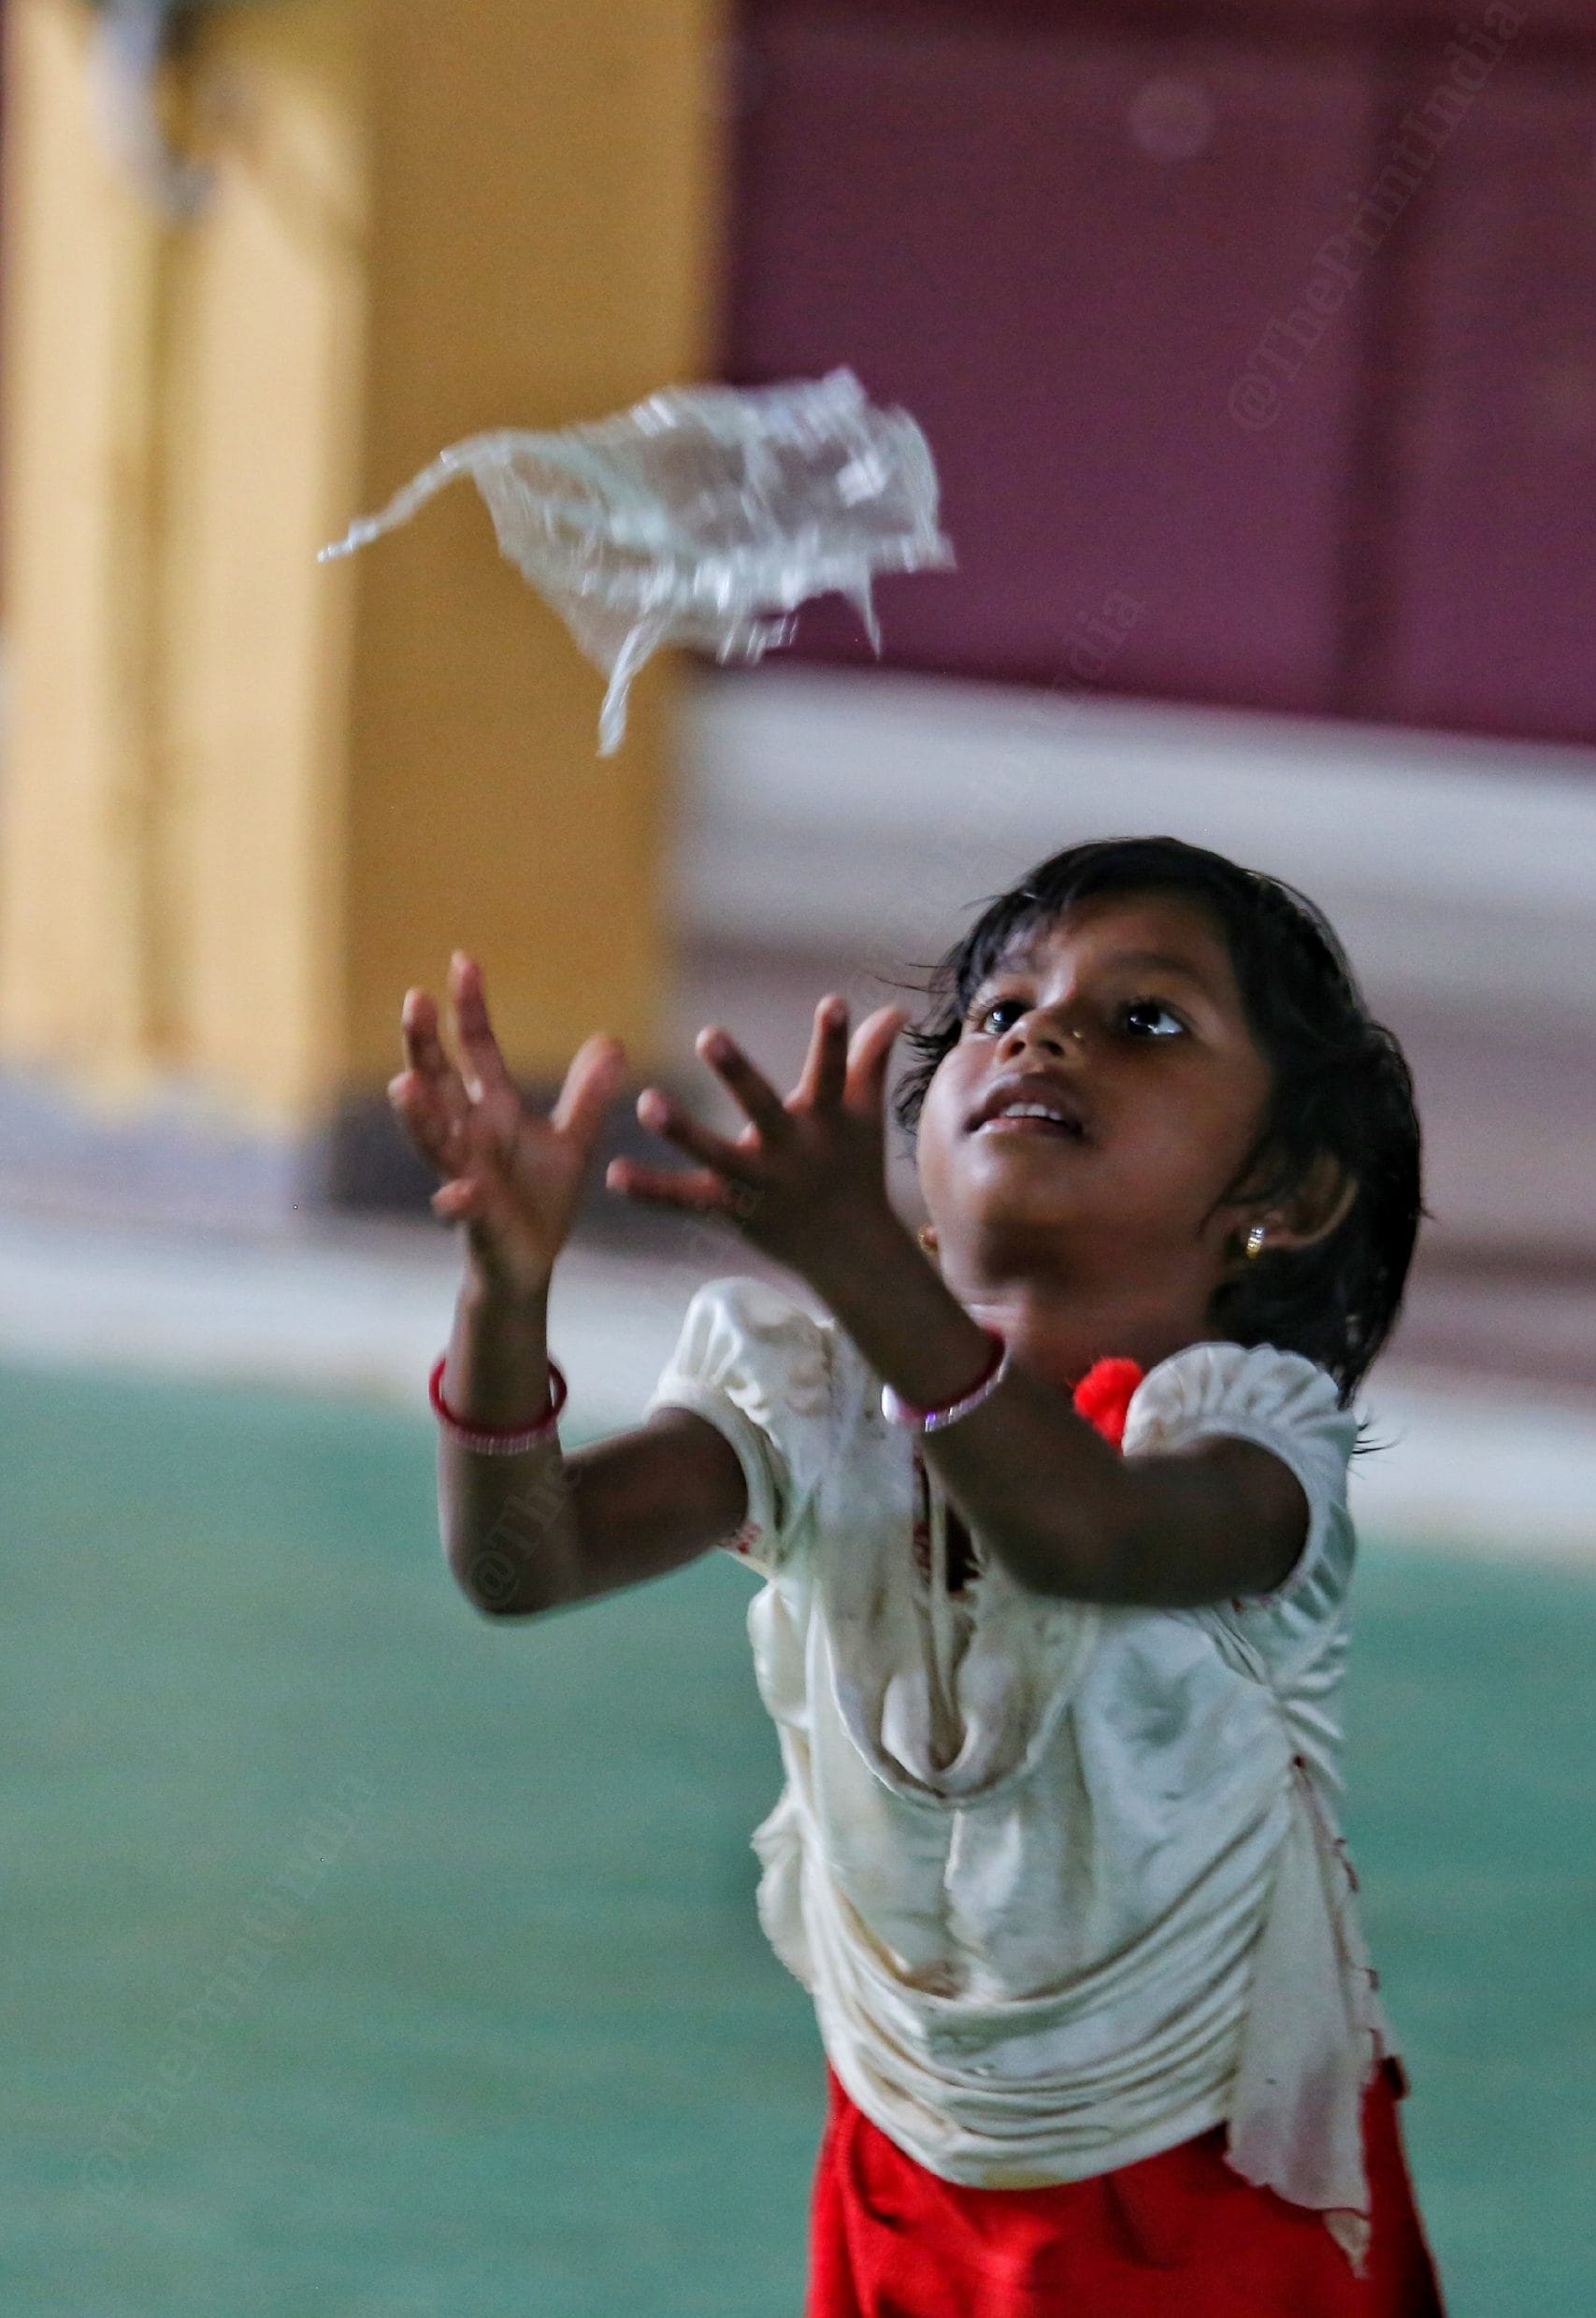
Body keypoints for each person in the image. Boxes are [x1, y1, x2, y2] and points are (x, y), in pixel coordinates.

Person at [390, 834, 1446, 2316]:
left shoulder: (1253, 1445)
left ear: (1289, 1190)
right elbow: (521, 1560)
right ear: (926, 1177)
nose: (1041, 1032)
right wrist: (505, 1293)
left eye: (1145, 1019)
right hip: (911, 2168)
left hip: (1213, 2191)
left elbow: (1076, 1535)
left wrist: (863, 1265)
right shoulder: (813, 1402)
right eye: (996, 1013)